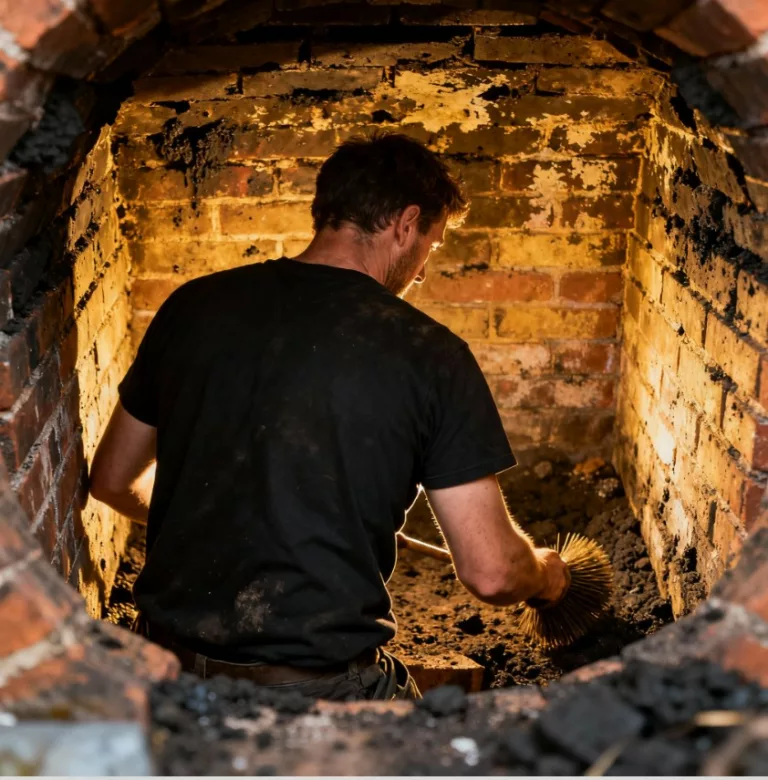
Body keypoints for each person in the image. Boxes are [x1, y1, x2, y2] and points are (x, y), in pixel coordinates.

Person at [90, 132, 569, 701]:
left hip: (166, 675)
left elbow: (111, 481)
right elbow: (491, 572)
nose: (420, 271)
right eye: (432, 247)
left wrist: (216, 515)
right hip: (316, 691)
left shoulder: (192, 307)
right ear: (405, 223)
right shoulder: (429, 354)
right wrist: (545, 574)